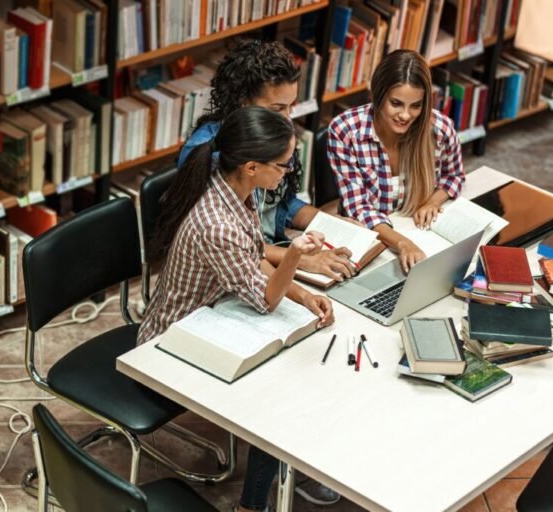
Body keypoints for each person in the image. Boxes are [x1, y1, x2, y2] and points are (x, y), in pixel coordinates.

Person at [137, 106, 336, 512]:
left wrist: (301, 295)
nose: (288, 173)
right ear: (250, 166)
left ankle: (287, 473)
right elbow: (264, 299)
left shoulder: (240, 193)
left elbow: (252, 262)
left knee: (297, 361)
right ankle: (251, 505)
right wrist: (295, 255)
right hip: (171, 343)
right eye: (282, 165)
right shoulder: (217, 224)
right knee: (275, 402)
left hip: (216, 313)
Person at [178, 38, 357, 284]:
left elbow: (282, 203)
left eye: (290, 106)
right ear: (243, 103)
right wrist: (300, 259)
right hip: (227, 272)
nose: (287, 119)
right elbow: (224, 241)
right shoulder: (209, 155)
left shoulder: (275, 135)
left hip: (272, 252)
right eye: (277, 109)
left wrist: (331, 222)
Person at [327, 49, 465, 273]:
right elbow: (358, 207)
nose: (405, 115)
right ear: (378, 94)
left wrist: (433, 202)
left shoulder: (440, 128)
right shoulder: (345, 130)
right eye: (396, 103)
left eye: (416, 106)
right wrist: (402, 243)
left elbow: (454, 176)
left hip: (419, 233)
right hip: (371, 240)